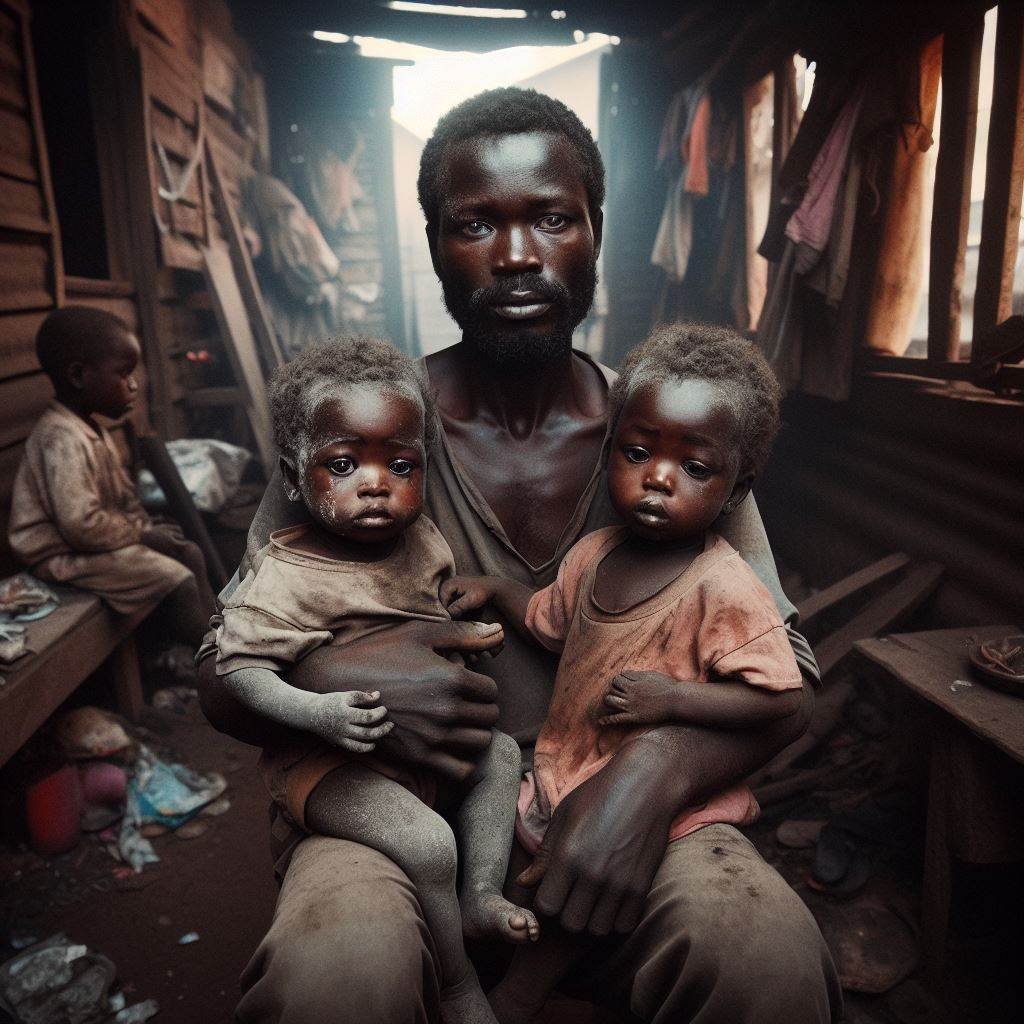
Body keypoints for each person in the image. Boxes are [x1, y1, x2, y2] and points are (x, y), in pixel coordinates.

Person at [199, 88, 842, 1022]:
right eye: (474, 224)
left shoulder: (673, 430)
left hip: (625, 808)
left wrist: (651, 777)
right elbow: (222, 675)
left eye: (551, 217)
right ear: (433, 244)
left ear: (593, 230)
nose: (515, 256)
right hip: (405, 803)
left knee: (762, 961)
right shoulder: (367, 429)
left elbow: (793, 691)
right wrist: (347, 678)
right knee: (330, 976)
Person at [442, 322, 807, 1021]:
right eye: (638, 453)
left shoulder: (722, 587)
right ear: (610, 450)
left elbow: (779, 699)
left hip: (659, 803)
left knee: (575, 899)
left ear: (737, 488)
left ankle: (516, 999)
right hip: (562, 768)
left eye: (695, 469)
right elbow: (547, 620)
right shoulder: (596, 556)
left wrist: (675, 700)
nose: (659, 478)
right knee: (527, 884)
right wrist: (492, 587)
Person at [213, 336, 535, 1024]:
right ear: (295, 479)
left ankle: (480, 897)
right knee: (426, 844)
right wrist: (316, 711)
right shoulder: (284, 575)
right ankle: (456, 985)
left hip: (429, 750)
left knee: (503, 758)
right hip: (330, 764)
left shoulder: (422, 539)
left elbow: (427, 605)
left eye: (399, 464)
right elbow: (238, 670)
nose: (375, 483)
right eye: (342, 464)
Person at [9, 307, 215, 646]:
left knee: (189, 552)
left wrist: (147, 530)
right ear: (78, 376)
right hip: (60, 557)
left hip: (90, 546)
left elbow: (123, 501)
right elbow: (81, 526)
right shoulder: (60, 437)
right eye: (123, 374)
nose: (133, 385)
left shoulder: (94, 430)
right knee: (178, 579)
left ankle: (222, 638)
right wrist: (142, 536)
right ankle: (216, 663)